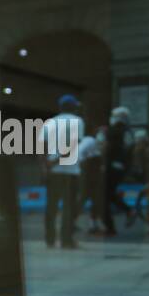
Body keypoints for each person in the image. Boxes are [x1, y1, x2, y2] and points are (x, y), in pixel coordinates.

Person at [38, 94, 85, 248]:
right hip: (70, 171)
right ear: (73, 107)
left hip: (54, 172)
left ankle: (49, 239)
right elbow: (73, 145)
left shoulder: (50, 122)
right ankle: (66, 240)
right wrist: (55, 161)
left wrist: (47, 165)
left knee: (51, 206)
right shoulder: (77, 121)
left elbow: (42, 147)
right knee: (69, 207)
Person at [101, 106, 134, 235]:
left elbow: (106, 148)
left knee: (104, 196)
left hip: (111, 167)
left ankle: (110, 228)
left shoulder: (114, 131)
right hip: (121, 168)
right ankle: (127, 211)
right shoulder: (128, 132)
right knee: (108, 194)